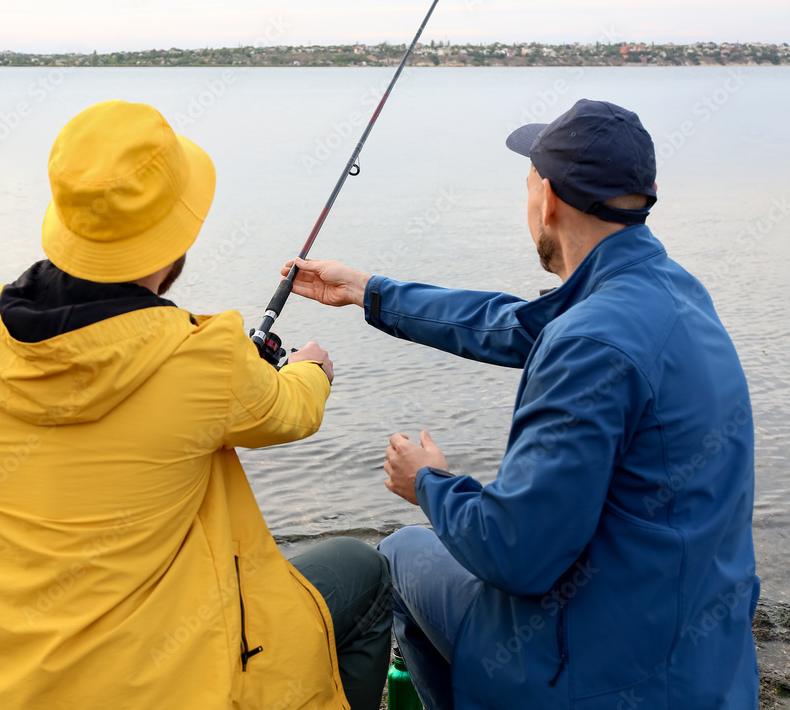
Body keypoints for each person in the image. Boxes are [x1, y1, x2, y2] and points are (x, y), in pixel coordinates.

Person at [282, 99, 759, 709]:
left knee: (400, 555)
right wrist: (368, 292)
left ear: (549, 200)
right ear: (646, 194)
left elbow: (517, 556)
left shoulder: (589, 343)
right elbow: (510, 324)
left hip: (602, 676)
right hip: (704, 660)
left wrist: (429, 483)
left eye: (529, 183)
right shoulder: (670, 292)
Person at [0, 100, 391, 710]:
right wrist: (312, 369)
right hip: (152, 690)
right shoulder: (202, 359)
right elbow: (291, 411)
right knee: (366, 573)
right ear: (176, 238)